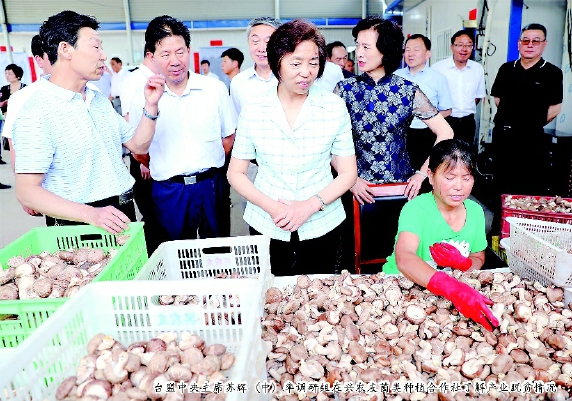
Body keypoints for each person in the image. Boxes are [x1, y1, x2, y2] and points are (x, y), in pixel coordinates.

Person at [12, 10, 164, 233]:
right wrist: (91, 214)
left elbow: (139, 145)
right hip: (78, 226)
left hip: (121, 212)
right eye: (96, 47)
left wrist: (151, 107)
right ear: (65, 49)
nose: (103, 55)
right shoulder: (36, 111)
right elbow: (27, 192)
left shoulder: (97, 99)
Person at [228, 19, 357, 277]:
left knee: (320, 293)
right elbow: (236, 173)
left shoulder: (333, 106)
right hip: (267, 220)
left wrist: (309, 205)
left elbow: (347, 173)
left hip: (322, 220)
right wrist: (275, 208)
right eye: (296, 63)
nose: (306, 72)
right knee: (272, 295)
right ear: (277, 63)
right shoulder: (255, 108)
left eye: (313, 63)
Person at [336, 17, 453, 272]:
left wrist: (423, 173)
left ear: (386, 51)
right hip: (355, 189)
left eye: (367, 47)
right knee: (355, 261)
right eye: (358, 45)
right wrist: (349, 178)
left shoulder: (407, 90)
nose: (360, 53)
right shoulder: (344, 90)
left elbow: (445, 131)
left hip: (399, 190)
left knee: (398, 259)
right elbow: (329, 142)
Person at [129, 15, 235, 241]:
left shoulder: (213, 89)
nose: (175, 61)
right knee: (176, 255)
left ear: (189, 50)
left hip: (211, 186)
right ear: (152, 57)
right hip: (170, 192)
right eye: (165, 55)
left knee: (219, 253)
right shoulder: (143, 97)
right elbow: (138, 151)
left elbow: (228, 140)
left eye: (180, 52)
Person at [384, 139, 498, 331]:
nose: (459, 186)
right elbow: (404, 258)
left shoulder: (476, 212)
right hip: (402, 285)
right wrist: (452, 288)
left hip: (447, 295)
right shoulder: (416, 209)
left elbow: (478, 257)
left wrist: (463, 264)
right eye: (449, 177)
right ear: (431, 176)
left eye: (466, 177)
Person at [490, 23, 563, 233]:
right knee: (502, 187)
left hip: (533, 140)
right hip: (504, 137)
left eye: (535, 41)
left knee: (530, 188)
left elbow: (555, 108)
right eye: (525, 41)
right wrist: (513, 121)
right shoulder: (506, 69)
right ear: (519, 44)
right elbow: (498, 99)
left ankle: (525, 233)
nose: (530, 45)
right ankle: (498, 232)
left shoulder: (552, 73)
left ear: (544, 44)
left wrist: (530, 124)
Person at [120, 47, 167, 255]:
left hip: (156, 158)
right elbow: (129, 121)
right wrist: (141, 162)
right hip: (144, 160)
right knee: (152, 215)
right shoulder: (136, 80)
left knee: (161, 215)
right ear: (150, 55)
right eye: (164, 54)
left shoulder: (159, 77)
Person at [394, 34, 454, 177]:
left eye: (416, 49)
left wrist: (427, 119)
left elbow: (447, 110)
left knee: (426, 174)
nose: (410, 54)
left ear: (428, 54)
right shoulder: (396, 76)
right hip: (401, 134)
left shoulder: (438, 78)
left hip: (427, 134)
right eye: (407, 49)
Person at [432, 30, 485, 148]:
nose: (464, 49)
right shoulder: (438, 68)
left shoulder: (477, 69)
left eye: (468, 45)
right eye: (460, 45)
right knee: (443, 157)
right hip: (445, 121)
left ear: (473, 47)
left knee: (464, 158)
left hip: (468, 123)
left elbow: (477, 97)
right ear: (452, 47)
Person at [230, 16, 282, 117]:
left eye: (268, 42)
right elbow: (236, 122)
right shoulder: (239, 82)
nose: (262, 48)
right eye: (255, 41)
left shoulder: (291, 78)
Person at [0, 63, 26, 173]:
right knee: (10, 144)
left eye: (10, 73)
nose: (7, 76)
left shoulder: (25, 88)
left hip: (22, 120)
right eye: (6, 73)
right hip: (7, 119)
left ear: (18, 76)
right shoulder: (4, 89)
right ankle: (16, 168)